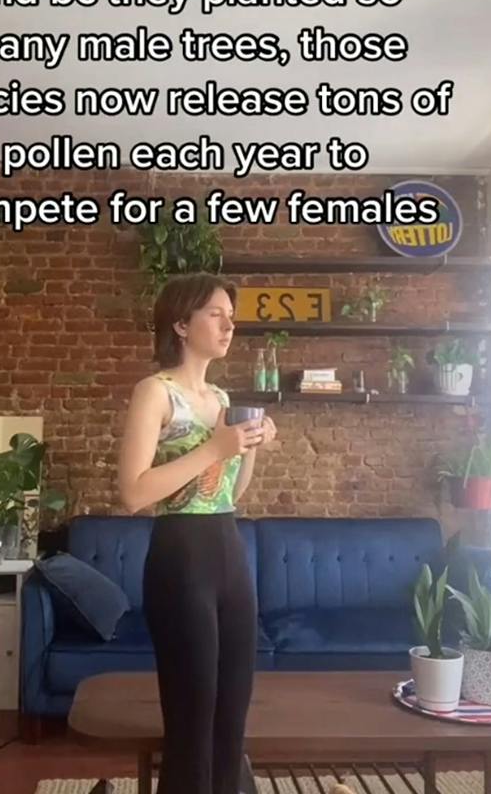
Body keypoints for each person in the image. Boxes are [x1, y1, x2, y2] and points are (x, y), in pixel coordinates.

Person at [114, 274, 278, 794]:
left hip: (229, 549)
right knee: (191, 713)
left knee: (232, 712)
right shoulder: (154, 392)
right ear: (181, 324)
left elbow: (233, 492)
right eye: (215, 313)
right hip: (180, 556)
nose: (229, 323)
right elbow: (134, 493)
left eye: (231, 314)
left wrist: (247, 445)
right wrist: (213, 447)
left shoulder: (221, 397)